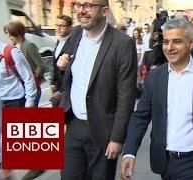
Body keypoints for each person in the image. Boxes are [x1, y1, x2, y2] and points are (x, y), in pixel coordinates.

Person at [119, 16, 193, 180]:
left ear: (191, 43)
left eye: (177, 41)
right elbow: (141, 117)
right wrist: (129, 152)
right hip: (164, 162)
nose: (169, 48)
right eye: (166, 42)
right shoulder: (155, 77)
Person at [58, 0, 137, 179]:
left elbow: (126, 95)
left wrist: (117, 138)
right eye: (78, 5)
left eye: (87, 6)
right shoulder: (76, 33)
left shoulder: (123, 43)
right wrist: (63, 66)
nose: (81, 11)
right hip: (74, 125)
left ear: (104, 11)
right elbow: (69, 72)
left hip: (103, 131)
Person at [0, 21, 36, 179]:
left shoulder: (10, 52)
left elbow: (29, 78)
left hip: (14, 100)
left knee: (21, 140)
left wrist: (30, 104)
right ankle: (1, 167)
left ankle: (36, 165)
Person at [4, 21, 46, 107]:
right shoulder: (13, 47)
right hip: (21, 87)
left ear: (17, 33)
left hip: (32, 86)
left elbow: (41, 66)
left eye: (10, 34)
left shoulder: (29, 46)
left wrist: (34, 77)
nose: (8, 36)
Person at [50, 14, 72, 107]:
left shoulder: (73, 43)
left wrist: (62, 91)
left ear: (70, 27)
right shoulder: (59, 41)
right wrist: (52, 82)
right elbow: (53, 64)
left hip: (67, 88)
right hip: (57, 85)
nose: (58, 28)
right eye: (57, 25)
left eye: (62, 26)